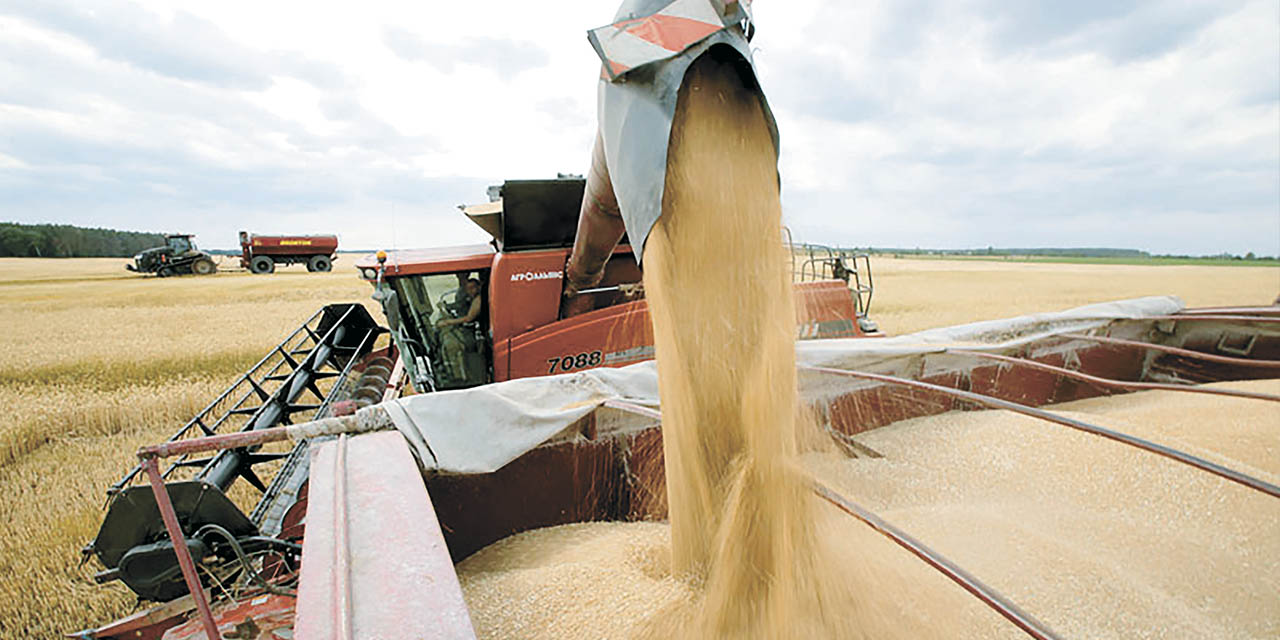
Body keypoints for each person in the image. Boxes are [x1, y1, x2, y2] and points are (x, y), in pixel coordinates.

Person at [436, 278, 482, 383]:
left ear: (479, 287)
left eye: (473, 288)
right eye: (468, 289)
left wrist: (448, 322)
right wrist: (446, 306)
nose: (471, 291)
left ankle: (462, 375)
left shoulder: (478, 300)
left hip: (475, 332)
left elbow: (468, 318)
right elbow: (459, 305)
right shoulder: (470, 299)